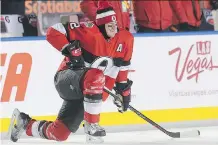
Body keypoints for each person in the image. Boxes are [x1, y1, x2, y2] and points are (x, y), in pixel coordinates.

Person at [8, 1, 134, 143]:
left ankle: (24, 123)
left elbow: (123, 69)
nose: (113, 29)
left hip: (89, 93)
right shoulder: (87, 30)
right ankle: (92, 125)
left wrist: (124, 93)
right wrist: (69, 49)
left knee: (60, 133)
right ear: (100, 25)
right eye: (109, 26)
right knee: (96, 76)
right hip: (67, 79)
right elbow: (53, 31)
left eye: (115, 25)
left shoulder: (126, 39)